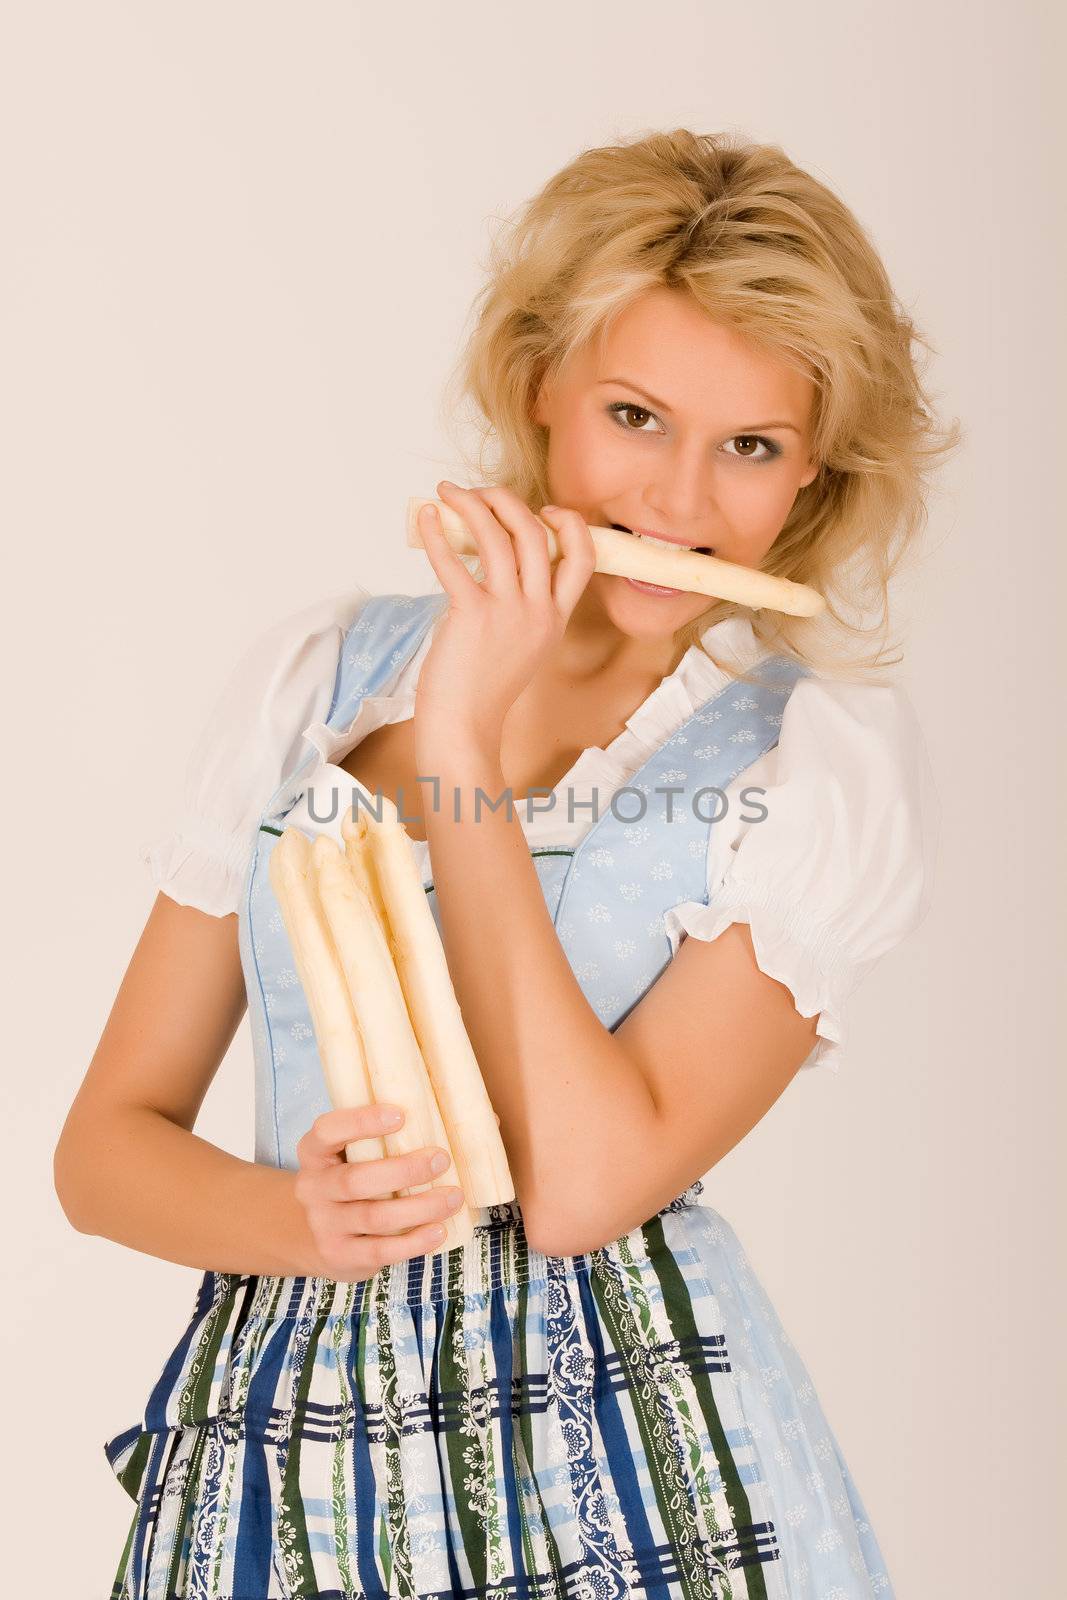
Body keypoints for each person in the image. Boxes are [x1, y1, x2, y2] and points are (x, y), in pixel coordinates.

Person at [56, 128, 957, 1599]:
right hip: (286, 1452)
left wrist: (464, 744)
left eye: (751, 447)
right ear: (539, 385)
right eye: (633, 414)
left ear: (812, 476)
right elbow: (104, 1150)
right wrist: (303, 1220)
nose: (676, 502)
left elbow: (583, 1189)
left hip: (625, 1471)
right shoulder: (323, 675)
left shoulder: (811, 770)